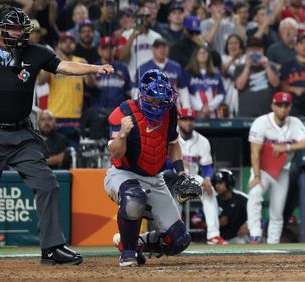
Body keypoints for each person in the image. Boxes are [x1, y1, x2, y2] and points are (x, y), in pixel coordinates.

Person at [0, 7, 113, 267]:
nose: (19, 33)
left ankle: (52, 248)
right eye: (13, 28)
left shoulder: (36, 52)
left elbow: (65, 66)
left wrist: (95, 68)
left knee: (48, 183)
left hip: (22, 134)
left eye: (22, 29)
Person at [105, 69, 193, 266]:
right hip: (123, 174)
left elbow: (173, 144)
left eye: (162, 98)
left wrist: (181, 173)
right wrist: (123, 133)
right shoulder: (123, 112)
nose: (157, 103)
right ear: (143, 94)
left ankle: (137, 242)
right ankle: (128, 252)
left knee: (179, 240)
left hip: (155, 178)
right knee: (134, 198)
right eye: (153, 97)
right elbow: (115, 154)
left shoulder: (170, 113)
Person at [247, 91, 305, 244]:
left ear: (290, 107)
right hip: (262, 169)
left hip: (282, 171)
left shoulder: (295, 123)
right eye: (279, 105)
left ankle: (273, 243)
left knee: (277, 211)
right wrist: (256, 176)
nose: (283, 109)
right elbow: (254, 151)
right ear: (273, 106)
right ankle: (255, 234)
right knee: (255, 194)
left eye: (286, 105)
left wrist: (287, 147)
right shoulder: (261, 122)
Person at [177, 108, 225, 245]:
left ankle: (213, 235)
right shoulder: (171, 137)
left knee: (209, 191)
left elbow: (206, 166)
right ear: (179, 121)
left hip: (192, 178)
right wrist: (176, 162)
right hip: (172, 177)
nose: (188, 123)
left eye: (191, 119)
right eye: (185, 119)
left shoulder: (203, 141)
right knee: (174, 196)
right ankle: (175, 235)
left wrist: (208, 179)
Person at [212, 168, 248, 244]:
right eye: (216, 183)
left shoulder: (242, 199)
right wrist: (217, 223)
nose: (217, 186)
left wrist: (247, 224)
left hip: (238, 237)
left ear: (229, 183)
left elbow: (255, 216)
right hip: (218, 238)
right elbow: (203, 222)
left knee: (242, 241)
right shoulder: (212, 200)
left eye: (220, 183)